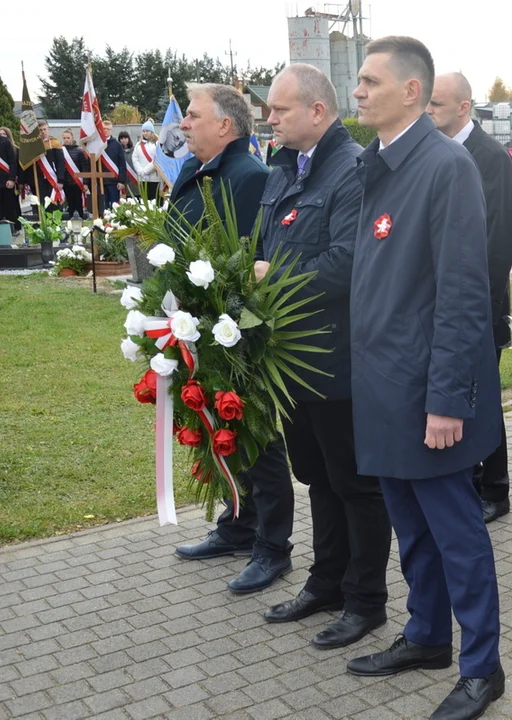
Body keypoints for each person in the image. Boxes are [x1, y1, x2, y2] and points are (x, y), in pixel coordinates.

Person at [343, 36, 505, 720]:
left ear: (412, 90)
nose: (356, 92)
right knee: (410, 533)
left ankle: (482, 669)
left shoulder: (445, 168)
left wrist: (446, 401)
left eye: (369, 81)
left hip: (423, 394)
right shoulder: (377, 165)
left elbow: (463, 294)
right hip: (382, 390)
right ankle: (426, 636)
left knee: (457, 538)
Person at [249, 64, 393, 648]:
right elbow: (263, 244)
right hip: (293, 360)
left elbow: (346, 265)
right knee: (318, 479)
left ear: (316, 111)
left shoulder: (351, 172)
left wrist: (269, 277)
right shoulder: (286, 168)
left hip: (338, 361)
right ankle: (325, 582)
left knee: (355, 486)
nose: (270, 118)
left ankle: (367, 601)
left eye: (280, 110)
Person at [170, 84, 295, 596]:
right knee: (217, 430)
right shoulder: (190, 170)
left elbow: (247, 255)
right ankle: (238, 525)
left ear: (225, 126)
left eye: (193, 115)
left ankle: (273, 547)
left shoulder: (250, 177)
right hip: (190, 325)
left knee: (256, 439)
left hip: (232, 331)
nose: (183, 123)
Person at [428, 71, 512, 524]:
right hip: (443, 306)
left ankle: (495, 488)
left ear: (464, 107)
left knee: (482, 398)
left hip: (480, 306)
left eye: (437, 104)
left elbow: (499, 241)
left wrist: (476, 309)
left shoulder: (490, 157)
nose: (428, 111)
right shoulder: (433, 154)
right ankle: (464, 478)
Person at [20, 119, 66, 210]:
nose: (43, 132)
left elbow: (60, 163)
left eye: (45, 129)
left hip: (52, 179)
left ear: (48, 129)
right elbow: (26, 164)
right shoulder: (32, 145)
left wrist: (60, 180)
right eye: (40, 130)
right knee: (40, 205)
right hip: (37, 180)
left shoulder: (54, 143)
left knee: (54, 204)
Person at [59, 129, 89, 220]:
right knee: (69, 203)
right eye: (64, 138)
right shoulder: (60, 151)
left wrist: (85, 182)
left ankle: (81, 220)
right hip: (66, 182)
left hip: (77, 182)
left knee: (78, 203)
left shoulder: (79, 151)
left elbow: (84, 168)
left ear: (72, 138)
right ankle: (71, 222)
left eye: (68, 137)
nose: (66, 139)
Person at [100, 122, 129, 208]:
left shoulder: (117, 145)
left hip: (114, 182)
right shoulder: (97, 144)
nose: (105, 131)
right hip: (100, 181)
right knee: (103, 207)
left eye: (107, 129)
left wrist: (121, 181)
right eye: (103, 129)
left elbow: (122, 164)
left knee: (115, 206)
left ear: (111, 131)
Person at [130, 119, 161, 200]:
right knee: (144, 201)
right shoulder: (138, 145)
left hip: (155, 178)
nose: (145, 133)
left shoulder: (157, 143)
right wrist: (140, 171)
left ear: (152, 132)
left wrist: (146, 171)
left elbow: (158, 158)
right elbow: (135, 158)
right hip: (142, 178)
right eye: (143, 131)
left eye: (147, 131)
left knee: (155, 201)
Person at [0, 129, 19, 231]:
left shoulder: (5, 142)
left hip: (5, 180)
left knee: (9, 207)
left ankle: (13, 230)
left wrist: (11, 178)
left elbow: (12, 162)